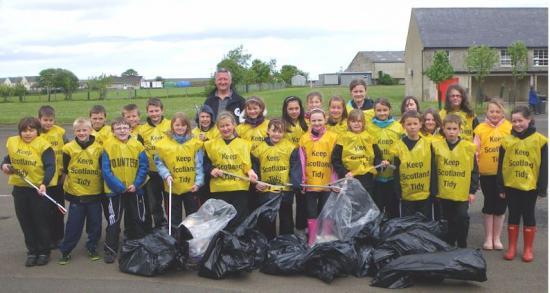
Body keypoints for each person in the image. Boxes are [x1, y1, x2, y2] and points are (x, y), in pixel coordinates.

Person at [2, 117, 56, 266]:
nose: (27, 133)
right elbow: (7, 159)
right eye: (24, 130)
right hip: (20, 189)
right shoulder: (13, 142)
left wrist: (44, 183)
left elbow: (51, 166)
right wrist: (4, 166)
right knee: (25, 222)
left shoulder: (44, 145)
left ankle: (44, 251)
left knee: (40, 221)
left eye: (31, 130)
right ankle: (32, 251)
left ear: (37, 131)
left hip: (37, 189)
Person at [498, 106, 547, 262]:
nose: (517, 124)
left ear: (529, 120)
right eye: (514, 121)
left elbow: (545, 166)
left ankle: (528, 249)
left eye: (520, 120)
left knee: (528, 215)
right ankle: (512, 247)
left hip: (530, 187)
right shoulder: (506, 140)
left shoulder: (540, 140)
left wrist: (542, 187)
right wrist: (501, 186)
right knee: (512, 215)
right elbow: (500, 166)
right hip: (511, 186)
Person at [101, 117, 149, 263]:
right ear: (113, 131)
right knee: (114, 220)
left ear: (130, 129)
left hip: (135, 189)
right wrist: (119, 187)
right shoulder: (108, 146)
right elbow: (106, 170)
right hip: (114, 190)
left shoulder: (137, 145)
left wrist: (136, 183)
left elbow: (143, 166)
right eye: (118, 128)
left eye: (124, 128)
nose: (122, 131)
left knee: (137, 217)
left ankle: (138, 246)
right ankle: (110, 249)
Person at [58, 118, 103, 265]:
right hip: (76, 194)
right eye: (78, 130)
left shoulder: (99, 148)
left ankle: (92, 247)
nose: (82, 133)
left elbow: (103, 170)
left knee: (95, 224)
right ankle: (66, 251)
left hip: (94, 193)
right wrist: (62, 189)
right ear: (74, 131)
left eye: (85, 130)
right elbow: (65, 170)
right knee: (73, 225)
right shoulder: (68, 148)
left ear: (90, 130)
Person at [203, 111, 258, 230]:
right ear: (218, 128)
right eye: (222, 126)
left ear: (234, 125)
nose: (225, 128)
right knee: (221, 218)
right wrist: (211, 170)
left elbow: (250, 163)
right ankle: (222, 242)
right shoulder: (211, 145)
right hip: (220, 188)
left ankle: (238, 242)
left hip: (239, 188)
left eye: (228, 125)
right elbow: (205, 163)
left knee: (239, 217)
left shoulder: (244, 144)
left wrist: (251, 172)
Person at [433, 114, 479, 248]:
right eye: (448, 128)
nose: (451, 132)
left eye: (454, 128)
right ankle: (449, 243)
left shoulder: (468, 147)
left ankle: (462, 243)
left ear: (460, 129)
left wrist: (472, 191)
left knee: (462, 217)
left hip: (462, 192)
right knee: (447, 219)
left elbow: (474, 170)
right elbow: (434, 170)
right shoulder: (436, 146)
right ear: (443, 129)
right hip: (444, 191)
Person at [253, 119, 301, 240]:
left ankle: (287, 242)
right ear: (268, 131)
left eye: (280, 131)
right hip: (266, 190)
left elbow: (295, 167)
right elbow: (255, 169)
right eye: (274, 130)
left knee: (286, 218)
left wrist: (295, 183)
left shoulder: (290, 147)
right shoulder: (259, 149)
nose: (276, 134)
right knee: (268, 218)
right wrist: (256, 183)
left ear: (284, 133)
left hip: (285, 189)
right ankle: (269, 242)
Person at [473, 98, 512, 251]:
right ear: (486, 112)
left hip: (504, 175)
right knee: (489, 204)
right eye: (491, 111)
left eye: (498, 111)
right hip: (487, 174)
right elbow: (475, 152)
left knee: (501, 206)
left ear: (503, 112)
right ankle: (488, 237)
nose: (494, 114)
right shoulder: (480, 129)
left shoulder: (509, 128)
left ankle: (497, 238)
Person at [154, 113, 203, 230]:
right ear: (172, 126)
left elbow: (199, 165)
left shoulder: (195, 143)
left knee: (192, 215)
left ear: (187, 127)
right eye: (177, 125)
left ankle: (192, 239)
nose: (180, 128)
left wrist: (199, 182)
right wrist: (166, 175)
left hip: (191, 187)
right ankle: (175, 239)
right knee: (174, 217)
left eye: (183, 125)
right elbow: (159, 163)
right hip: (172, 187)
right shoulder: (163, 144)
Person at [299, 108, 338, 246]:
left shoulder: (333, 137)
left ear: (325, 119)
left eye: (319, 120)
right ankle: (312, 239)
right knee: (311, 211)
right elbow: (302, 161)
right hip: (311, 183)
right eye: (313, 120)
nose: (317, 123)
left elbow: (336, 161)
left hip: (327, 183)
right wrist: (303, 180)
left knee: (326, 210)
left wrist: (335, 181)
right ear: (309, 121)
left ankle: (326, 237)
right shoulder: (304, 139)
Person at [391, 111, 436, 218]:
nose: (412, 127)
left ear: (421, 124)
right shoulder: (398, 146)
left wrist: (433, 189)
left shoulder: (428, 144)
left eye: (415, 124)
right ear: (403, 126)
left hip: (425, 194)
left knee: (425, 223)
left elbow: (433, 168)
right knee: (408, 223)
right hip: (407, 195)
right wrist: (398, 191)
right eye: (409, 124)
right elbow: (396, 171)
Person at [331, 109, 384, 198]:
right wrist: (344, 172)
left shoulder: (369, 137)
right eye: (353, 121)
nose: (357, 123)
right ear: (349, 123)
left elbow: (377, 156)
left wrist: (381, 164)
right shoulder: (343, 138)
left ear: (363, 123)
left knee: (366, 205)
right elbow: (335, 159)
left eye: (359, 121)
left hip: (367, 178)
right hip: (349, 178)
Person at [137, 97, 171, 228]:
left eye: (157, 110)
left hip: (169, 171)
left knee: (169, 201)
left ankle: (171, 225)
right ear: (147, 112)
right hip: (151, 172)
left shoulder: (170, 125)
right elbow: (139, 150)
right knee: (154, 202)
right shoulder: (142, 129)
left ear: (162, 110)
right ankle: (159, 225)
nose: (154, 114)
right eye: (151, 111)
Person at [38, 105, 67, 248]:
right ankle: (47, 238)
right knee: (45, 211)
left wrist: (66, 172)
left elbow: (68, 151)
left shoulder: (60, 132)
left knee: (58, 208)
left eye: (51, 120)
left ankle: (59, 237)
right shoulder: (35, 133)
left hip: (59, 178)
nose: (48, 123)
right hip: (43, 179)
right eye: (45, 120)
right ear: (39, 119)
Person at [368, 98, 403, 218]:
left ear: (390, 110)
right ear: (374, 111)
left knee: (393, 209)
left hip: (393, 175)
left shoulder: (398, 127)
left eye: (385, 110)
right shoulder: (368, 127)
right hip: (375, 177)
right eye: (379, 110)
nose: (382, 113)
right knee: (376, 209)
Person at [281, 96, 308, 235]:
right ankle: (287, 232)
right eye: (290, 108)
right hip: (287, 165)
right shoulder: (282, 125)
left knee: (302, 197)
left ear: (301, 109)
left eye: (296, 108)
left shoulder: (306, 123)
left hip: (304, 165)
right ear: (285, 110)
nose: (293, 111)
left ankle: (301, 228)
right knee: (287, 198)